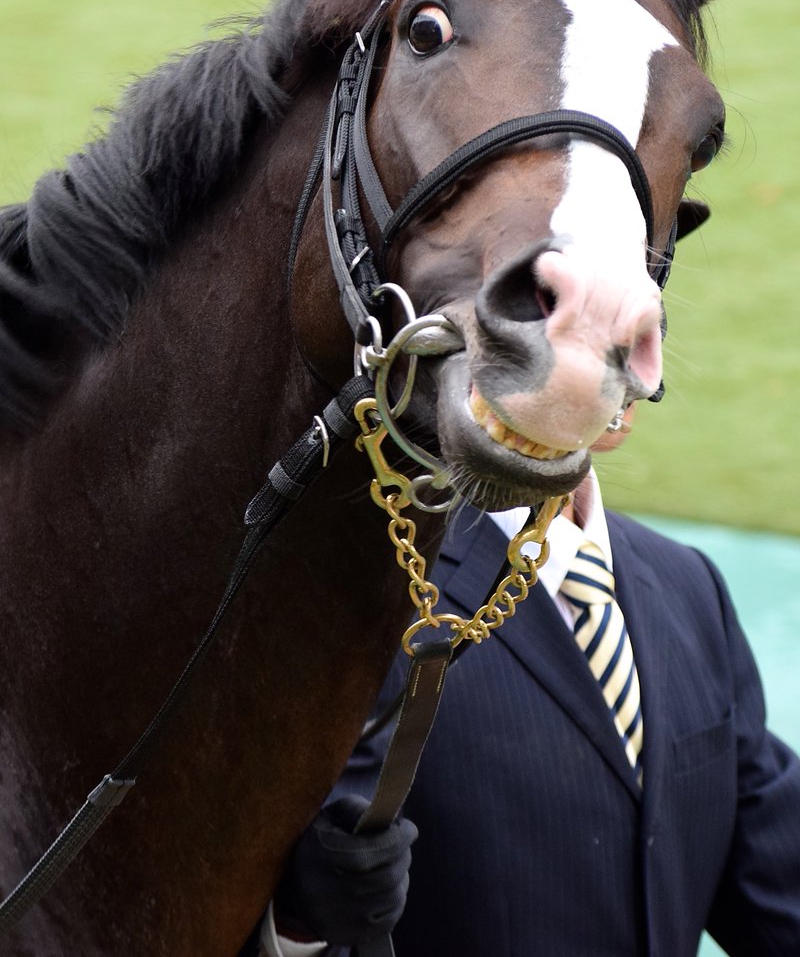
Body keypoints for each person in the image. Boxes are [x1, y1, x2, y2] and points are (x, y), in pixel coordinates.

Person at [258, 406, 800, 957]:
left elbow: (775, 873)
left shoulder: (689, 584)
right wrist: (302, 923)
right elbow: (320, 894)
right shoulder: (378, 603)